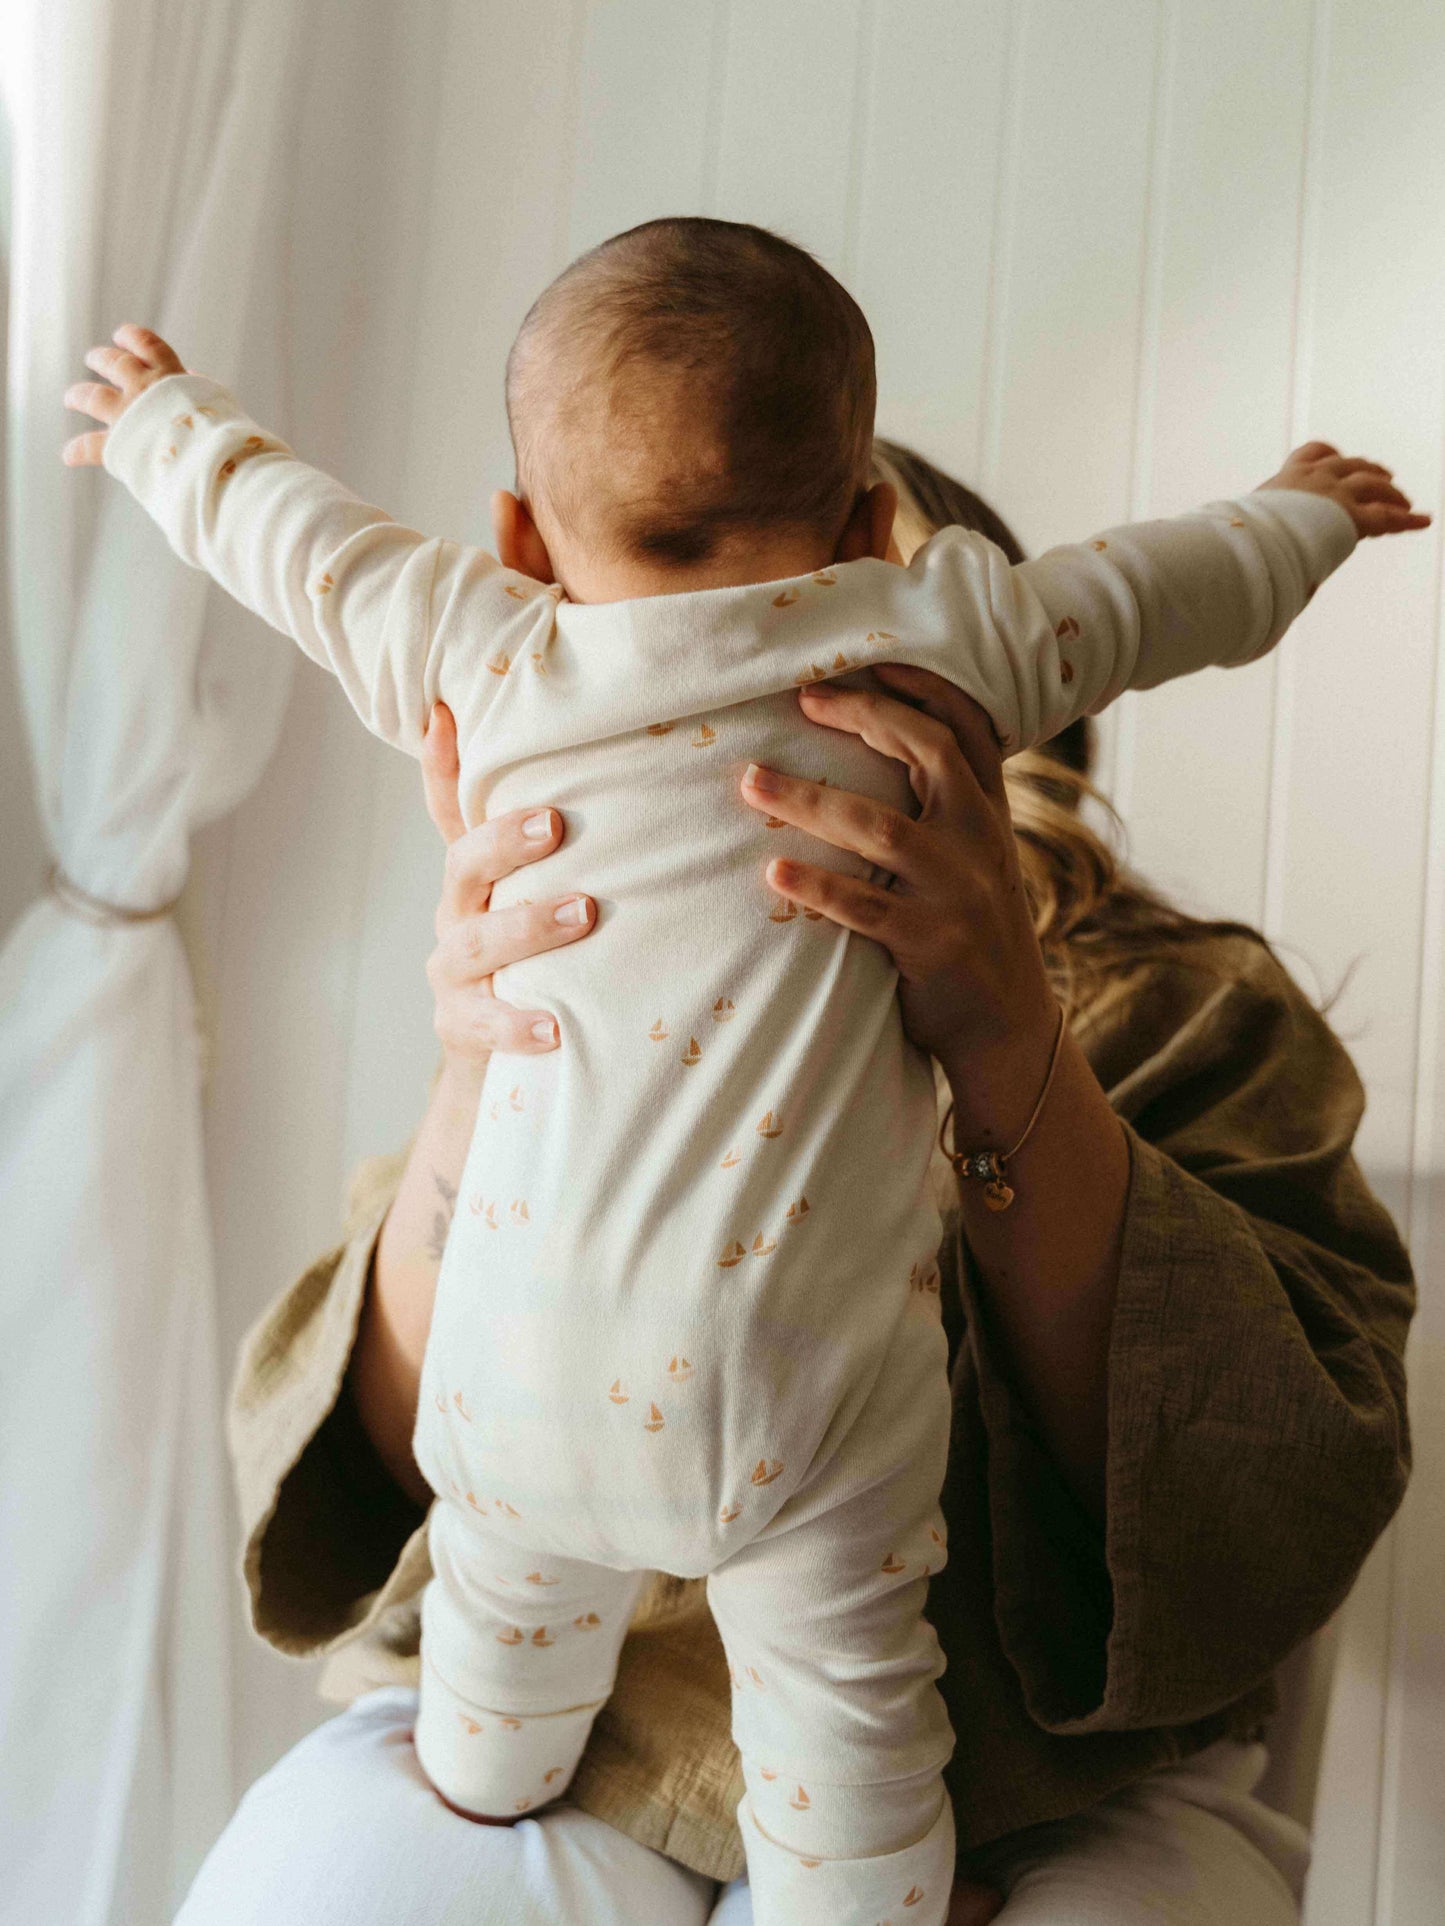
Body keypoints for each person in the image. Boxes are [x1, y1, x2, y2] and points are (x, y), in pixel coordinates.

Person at [68, 217, 1422, 1920]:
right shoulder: (543, 885)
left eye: (860, 656)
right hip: (602, 1707)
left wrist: (1004, 1032)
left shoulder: (1182, 1007)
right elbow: (383, 1445)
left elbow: (1263, 1482)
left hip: (1023, 1760)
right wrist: (491, 1053)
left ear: (1014, 720)